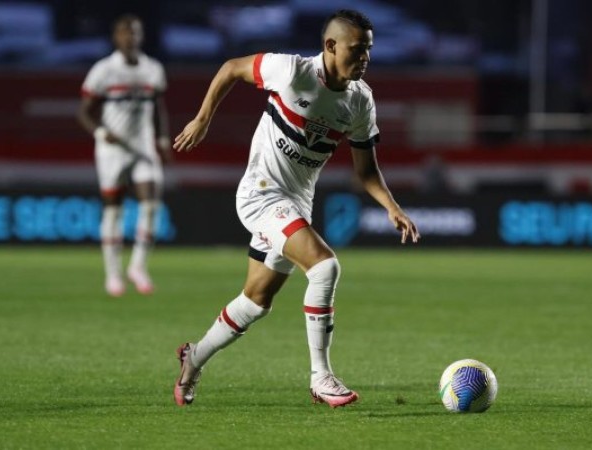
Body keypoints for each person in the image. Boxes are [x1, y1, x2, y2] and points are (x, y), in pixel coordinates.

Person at [172, 9, 420, 408]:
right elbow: (233, 67)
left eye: (369, 51)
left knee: (255, 302)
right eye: (357, 50)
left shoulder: (360, 101)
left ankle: (193, 357)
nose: (365, 59)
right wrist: (203, 119)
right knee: (325, 267)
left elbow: (366, 170)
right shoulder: (292, 72)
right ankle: (321, 377)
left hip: (295, 204)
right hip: (261, 194)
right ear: (330, 46)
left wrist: (392, 206)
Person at [77, 14, 171, 297]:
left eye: (135, 33)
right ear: (116, 37)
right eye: (125, 33)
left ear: (141, 37)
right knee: (113, 209)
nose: (130, 38)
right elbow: (83, 112)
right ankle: (113, 274)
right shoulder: (103, 70)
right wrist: (100, 133)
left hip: (143, 146)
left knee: (152, 204)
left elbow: (158, 107)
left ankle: (138, 267)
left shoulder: (153, 69)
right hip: (112, 149)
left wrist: (163, 139)